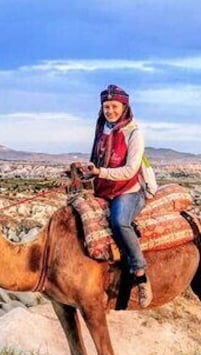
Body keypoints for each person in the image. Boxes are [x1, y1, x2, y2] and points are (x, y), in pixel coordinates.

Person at [85, 84, 152, 308]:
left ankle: (140, 274)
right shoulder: (102, 130)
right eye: (106, 107)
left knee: (120, 221)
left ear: (124, 107)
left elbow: (130, 170)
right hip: (105, 188)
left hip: (128, 190)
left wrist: (99, 172)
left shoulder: (133, 133)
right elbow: (97, 162)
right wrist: (85, 172)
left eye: (114, 106)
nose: (110, 111)